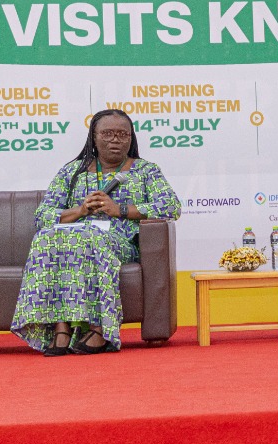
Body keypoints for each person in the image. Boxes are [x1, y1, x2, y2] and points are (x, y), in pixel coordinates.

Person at [11, 110, 182, 355]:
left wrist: (120, 210)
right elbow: (42, 216)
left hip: (119, 243)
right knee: (45, 238)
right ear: (94, 136)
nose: (115, 140)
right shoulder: (72, 172)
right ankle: (61, 328)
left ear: (131, 138)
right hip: (71, 240)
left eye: (123, 134)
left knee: (90, 237)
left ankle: (99, 329)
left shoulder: (146, 171)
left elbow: (171, 206)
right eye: (108, 134)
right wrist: (80, 210)